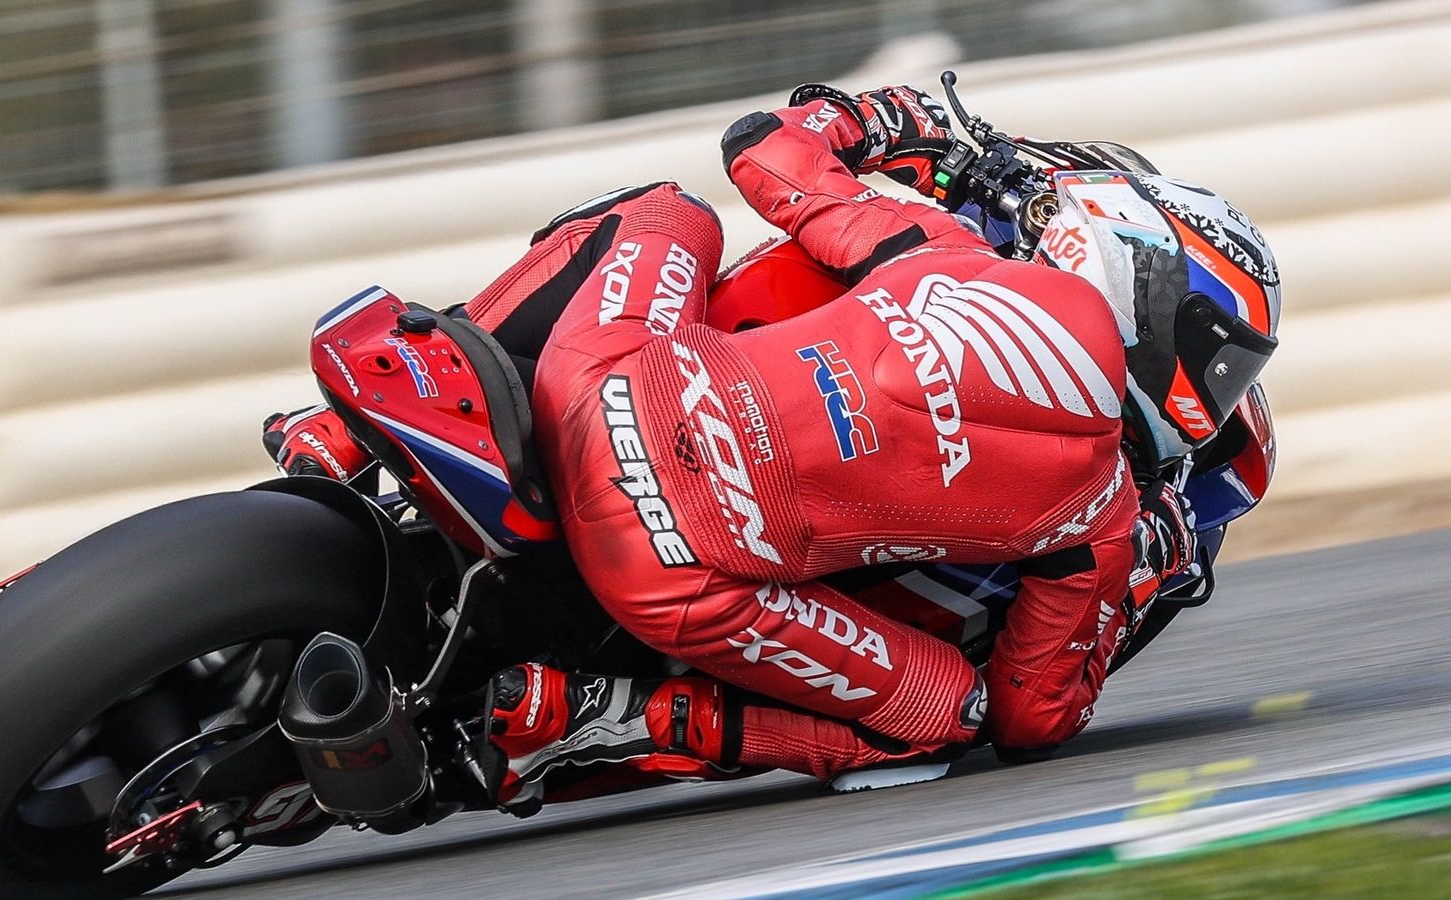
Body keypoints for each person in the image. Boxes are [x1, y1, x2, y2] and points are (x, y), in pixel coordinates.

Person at [265, 81, 1277, 810]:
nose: (1217, 394)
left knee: (665, 214)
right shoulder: (1100, 518)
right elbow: (1028, 717)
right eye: (1220, 366)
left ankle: (364, 413)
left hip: (604, 378)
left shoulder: (937, 251)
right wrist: (1140, 569)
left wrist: (886, 122)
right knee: (946, 718)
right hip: (676, 575)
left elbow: (765, 148)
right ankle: (591, 716)